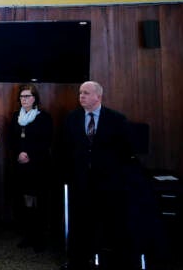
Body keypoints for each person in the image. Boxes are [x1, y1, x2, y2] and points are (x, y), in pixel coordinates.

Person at [62, 81, 135, 270]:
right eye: (80, 93)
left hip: (107, 183)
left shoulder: (116, 119)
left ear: (98, 96)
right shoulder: (72, 118)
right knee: (80, 224)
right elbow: (65, 149)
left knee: (108, 224)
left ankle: (107, 259)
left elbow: (125, 152)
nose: (81, 96)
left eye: (86, 93)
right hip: (80, 181)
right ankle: (77, 260)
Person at [9, 84, 53, 252]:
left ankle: (39, 237)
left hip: (38, 166)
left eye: (27, 96)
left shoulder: (44, 117)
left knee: (38, 202)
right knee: (24, 202)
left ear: (35, 98)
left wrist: (30, 155)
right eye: (22, 97)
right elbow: (12, 139)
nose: (24, 99)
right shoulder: (15, 117)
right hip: (21, 167)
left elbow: (46, 141)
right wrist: (19, 153)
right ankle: (27, 235)